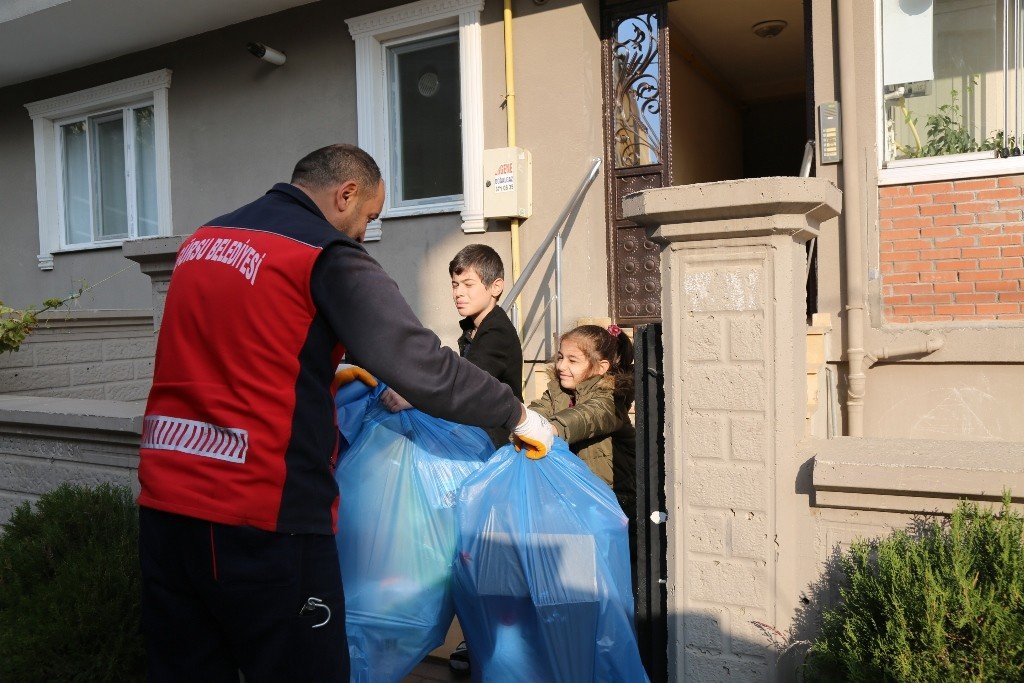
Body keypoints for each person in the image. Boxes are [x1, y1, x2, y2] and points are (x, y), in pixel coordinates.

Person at [136, 143, 554, 682]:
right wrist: (516, 413)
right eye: (369, 218)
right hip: (264, 516)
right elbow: (421, 364)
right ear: (346, 194)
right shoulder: (323, 253)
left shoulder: (203, 242)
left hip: (166, 506)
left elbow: (239, 348)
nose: (364, 234)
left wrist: (326, 367)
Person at [380, 244, 523, 448]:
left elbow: (467, 385)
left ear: (496, 287)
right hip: (476, 428)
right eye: (455, 285)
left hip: (494, 438)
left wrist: (413, 397)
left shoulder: (497, 332)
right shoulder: (475, 328)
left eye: (468, 284)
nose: (458, 293)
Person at [529, 324, 637, 519]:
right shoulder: (556, 392)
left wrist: (553, 428)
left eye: (573, 360)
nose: (561, 366)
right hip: (573, 497)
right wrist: (522, 424)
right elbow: (537, 412)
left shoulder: (611, 398)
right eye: (560, 357)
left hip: (613, 500)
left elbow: (588, 415)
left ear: (601, 367)